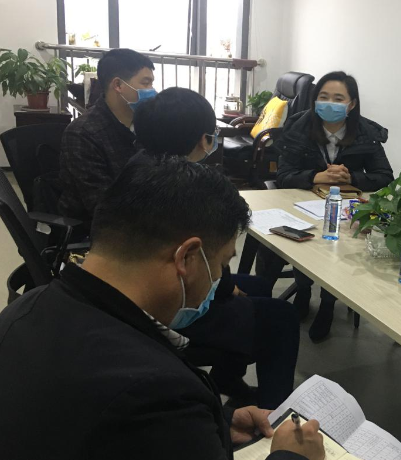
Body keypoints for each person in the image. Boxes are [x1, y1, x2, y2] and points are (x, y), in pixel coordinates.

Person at [0, 158, 324, 460]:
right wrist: (291, 456)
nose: (220, 278)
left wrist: (219, 422)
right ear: (187, 257)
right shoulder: (161, 393)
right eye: (223, 264)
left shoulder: (23, 310)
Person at [132, 87, 300, 409]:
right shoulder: (191, 186)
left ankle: (226, 378)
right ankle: (271, 415)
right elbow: (204, 259)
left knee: (258, 286)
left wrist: (228, 286)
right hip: (165, 307)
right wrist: (226, 288)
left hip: (138, 292)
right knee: (282, 318)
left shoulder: (138, 166)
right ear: (203, 140)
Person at [271, 71, 394, 342]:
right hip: (302, 203)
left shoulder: (367, 133)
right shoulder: (298, 127)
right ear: (315, 100)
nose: (330, 103)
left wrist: (351, 178)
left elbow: (385, 177)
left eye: (338, 99)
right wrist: (316, 176)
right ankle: (303, 292)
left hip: (345, 207)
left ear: (352, 104)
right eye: (323, 97)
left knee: (341, 245)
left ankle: (328, 304)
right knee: (302, 242)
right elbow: (283, 176)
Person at [59, 48, 156, 224]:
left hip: (143, 217)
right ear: (118, 85)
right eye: (145, 83)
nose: (152, 91)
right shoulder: (83, 133)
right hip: (100, 229)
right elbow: (101, 205)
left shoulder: (146, 124)